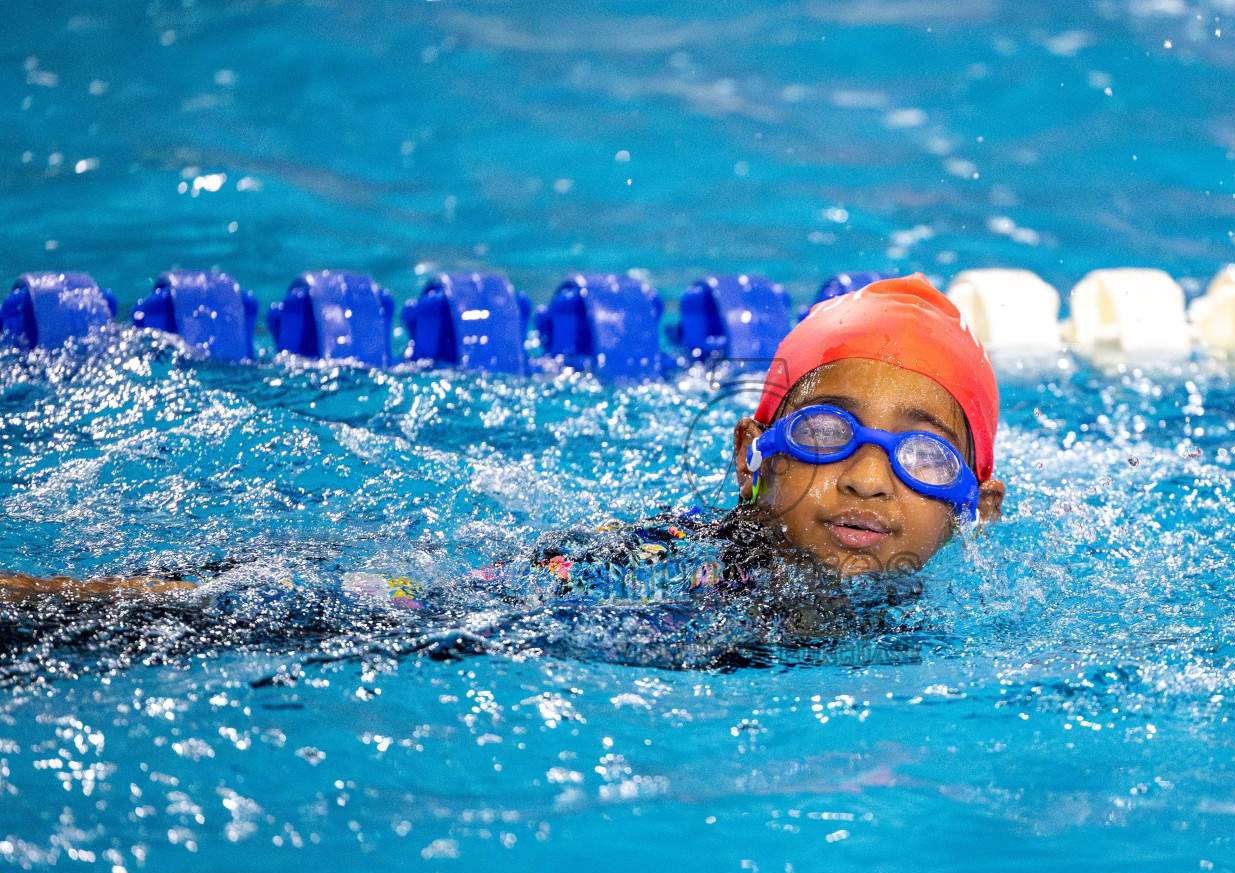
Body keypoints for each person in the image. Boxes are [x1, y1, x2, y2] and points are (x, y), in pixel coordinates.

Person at [0, 273, 1005, 611]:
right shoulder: (651, 569)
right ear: (754, 458)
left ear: (977, 505)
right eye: (826, 433)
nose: (869, 475)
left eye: (924, 456)